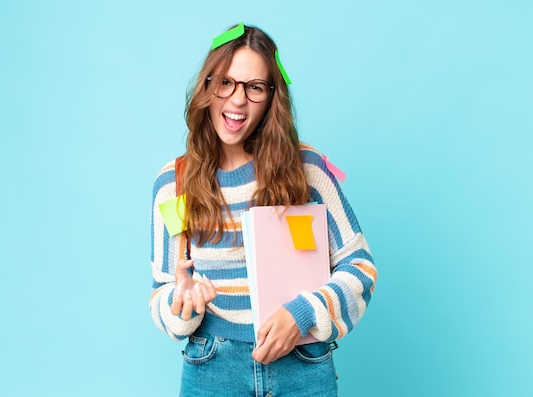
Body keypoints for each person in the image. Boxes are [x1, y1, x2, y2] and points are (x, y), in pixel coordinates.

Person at [150, 23, 377, 397]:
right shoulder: (173, 184)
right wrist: (182, 304)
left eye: (254, 87)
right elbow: (162, 294)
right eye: (226, 82)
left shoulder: (307, 169)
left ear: (272, 97)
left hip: (303, 366)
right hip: (212, 368)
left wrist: (300, 314)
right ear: (208, 86)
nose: (238, 99)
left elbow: (361, 267)